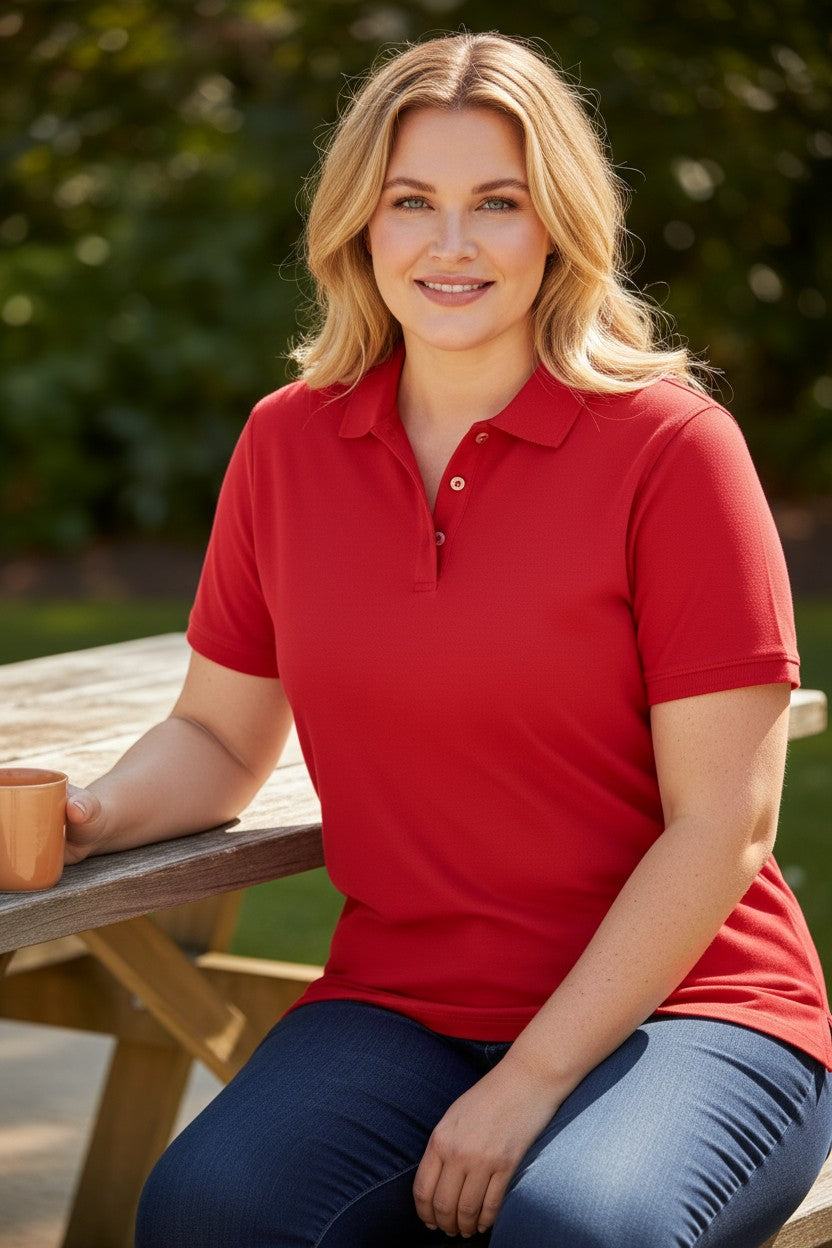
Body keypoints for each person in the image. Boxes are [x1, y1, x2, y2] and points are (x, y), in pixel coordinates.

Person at [65, 31, 832, 1248]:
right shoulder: (287, 444)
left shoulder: (671, 450)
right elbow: (218, 733)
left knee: (572, 1230)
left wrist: (525, 1083)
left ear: (559, 227)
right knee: (207, 1211)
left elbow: (723, 826)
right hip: (404, 1004)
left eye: (498, 204)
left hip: (690, 1012)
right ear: (360, 225)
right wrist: (87, 819)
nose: (452, 244)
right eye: (412, 202)